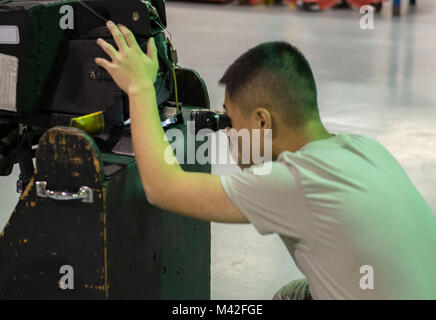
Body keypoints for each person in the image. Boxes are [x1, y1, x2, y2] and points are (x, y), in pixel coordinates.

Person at [95, 21, 436, 299]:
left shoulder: (296, 182)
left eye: (233, 120)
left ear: (262, 121)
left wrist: (139, 87)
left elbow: (161, 188)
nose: (230, 131)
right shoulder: (364, 149)